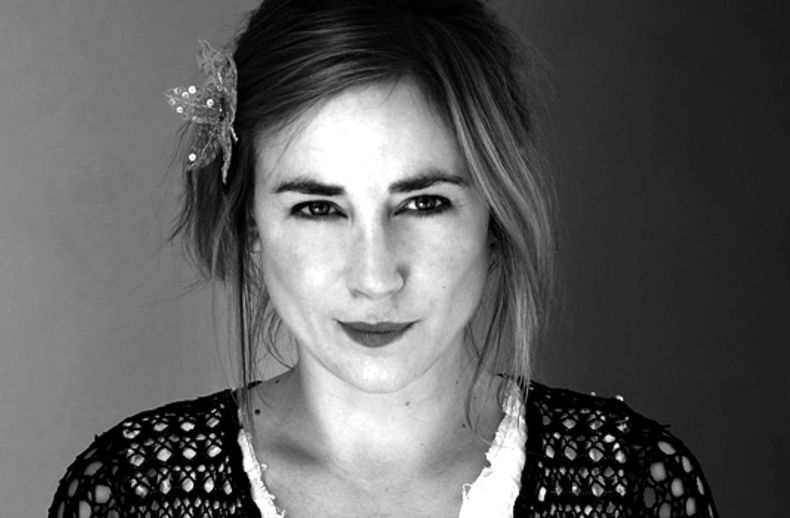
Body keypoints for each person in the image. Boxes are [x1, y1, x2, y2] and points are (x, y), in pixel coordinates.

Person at [48, 1, 718, 517]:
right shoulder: (132, 494)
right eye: (318, 208)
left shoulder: (634, 487)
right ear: (252, 232)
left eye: (424, 203)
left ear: (494, 218)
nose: (375, 277)